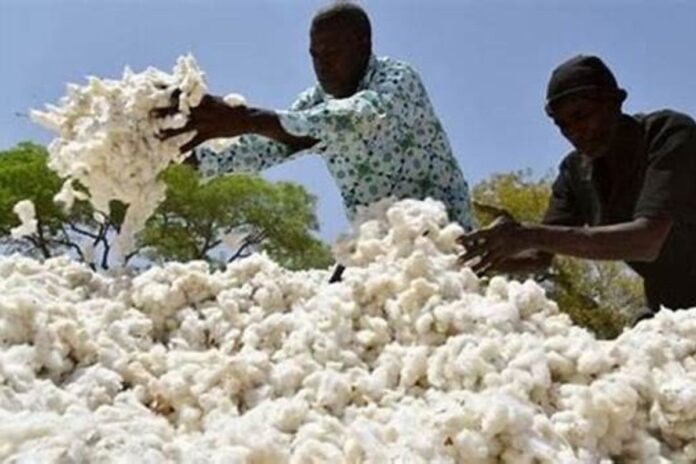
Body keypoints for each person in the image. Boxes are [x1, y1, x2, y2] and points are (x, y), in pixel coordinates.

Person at [157, 1, 474, 282]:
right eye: (315, 54)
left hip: (442, 240)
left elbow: (352, 118)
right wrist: (178, 148)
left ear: (363, 44)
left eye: (332, 53)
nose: (321, 64)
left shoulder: (397, 80)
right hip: (376, 244)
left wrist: (245, 119)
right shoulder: (316, 101)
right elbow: (271, 145)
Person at [458, 54, 696, 316]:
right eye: (562, 125)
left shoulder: (668, 135)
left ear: (613, 102)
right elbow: (539, 257)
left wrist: (527, 234)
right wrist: (474, 256)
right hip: (670, 308)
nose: (574, 131)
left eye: (581, 115)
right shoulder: (575, 172)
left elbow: (647, 241)